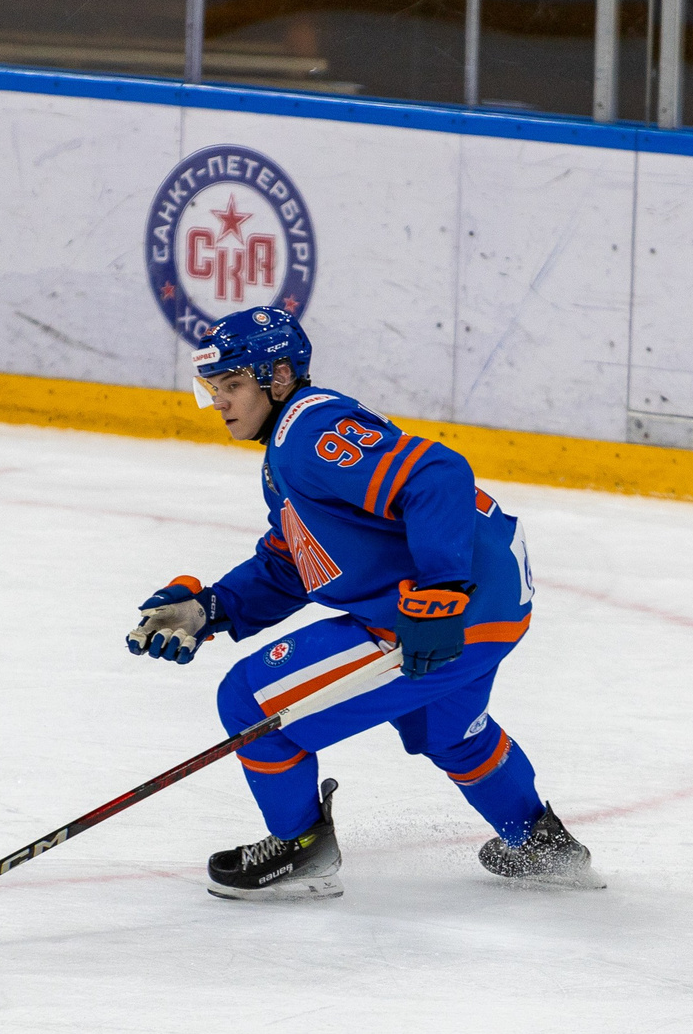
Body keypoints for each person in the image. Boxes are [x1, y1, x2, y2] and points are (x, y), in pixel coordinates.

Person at [122, 307, 595, 899]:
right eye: (213, 390)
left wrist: (442, 592)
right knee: (451, 730)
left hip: (456, 608)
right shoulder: (292, 446)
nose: (220, 402)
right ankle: (543, 847)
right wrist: (212, 607)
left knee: (249, 700)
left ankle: (300, 848)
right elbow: (299, 558)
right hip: (493, 602)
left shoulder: (308, 435)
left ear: (279, 375)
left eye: (234, 385)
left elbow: (437, 475)